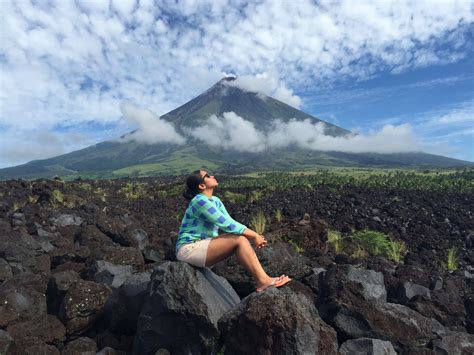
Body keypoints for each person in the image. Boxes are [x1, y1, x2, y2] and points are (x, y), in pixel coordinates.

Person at [176, 170, 291, 292]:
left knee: (239, 239)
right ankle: (263, 281)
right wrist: (254, 235)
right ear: (202, 185)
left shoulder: (215, 200)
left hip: (204, 246)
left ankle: (264, 279)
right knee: (240, 240)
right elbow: (227, 225)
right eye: (208, 176)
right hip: (189, 249)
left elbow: (229, 221)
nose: (213, 176)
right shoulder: (199, 200)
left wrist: (253, 236)